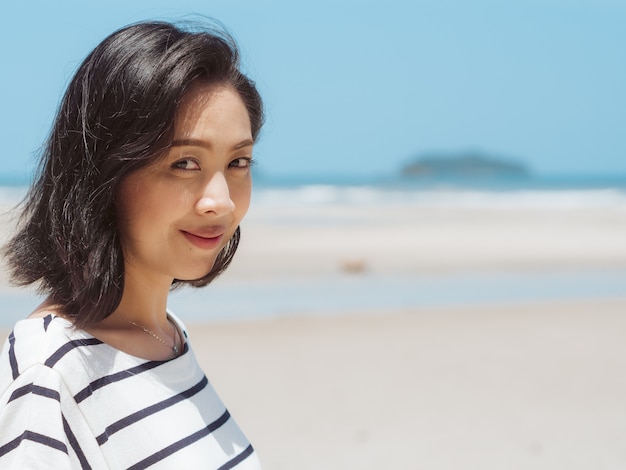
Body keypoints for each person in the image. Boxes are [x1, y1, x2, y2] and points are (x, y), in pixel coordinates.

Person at [0, 20, 264, 469]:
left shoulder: (166, 334)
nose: (220, 202)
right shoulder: (49, 371)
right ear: (104, 176)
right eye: (184, 163)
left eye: (238, 161)